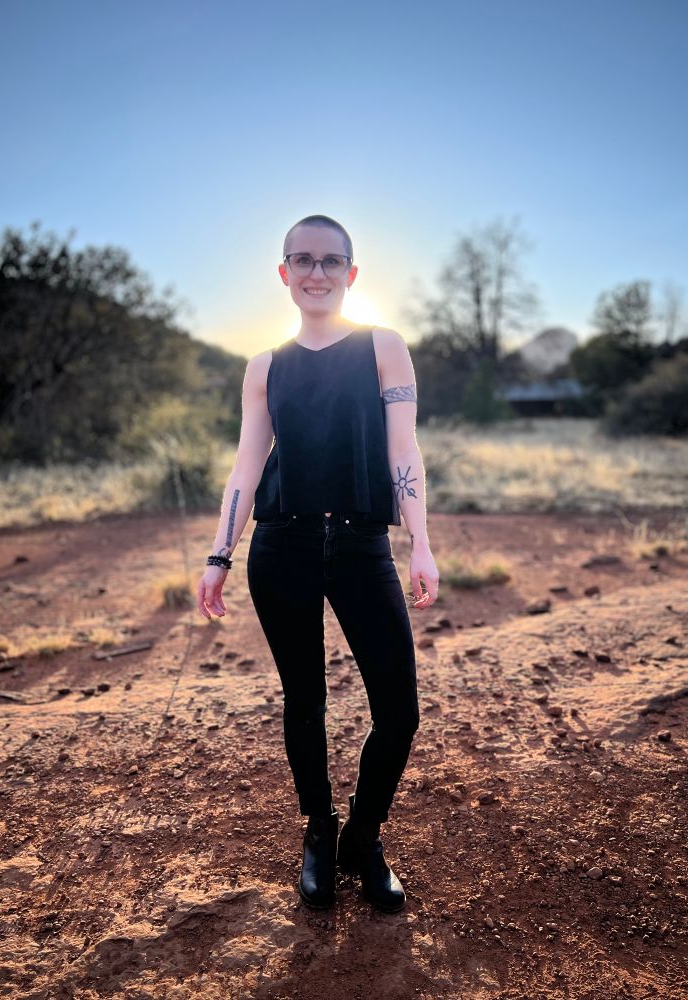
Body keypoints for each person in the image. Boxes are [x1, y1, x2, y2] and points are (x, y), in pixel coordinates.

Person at [197, 214, 439, 913]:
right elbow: (247, 463)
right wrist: (220, 552)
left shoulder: (384, 347)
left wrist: (419, 540)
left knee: (399, 710)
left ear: (352, 274)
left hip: (363, 546)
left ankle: (364, 840)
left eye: (332, 262)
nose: (317, 273)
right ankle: (318, 831)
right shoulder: (265, 366)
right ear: (283, 274)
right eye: (302, 260)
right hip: (282, 548)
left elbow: (404, 452)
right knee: (304, 701)